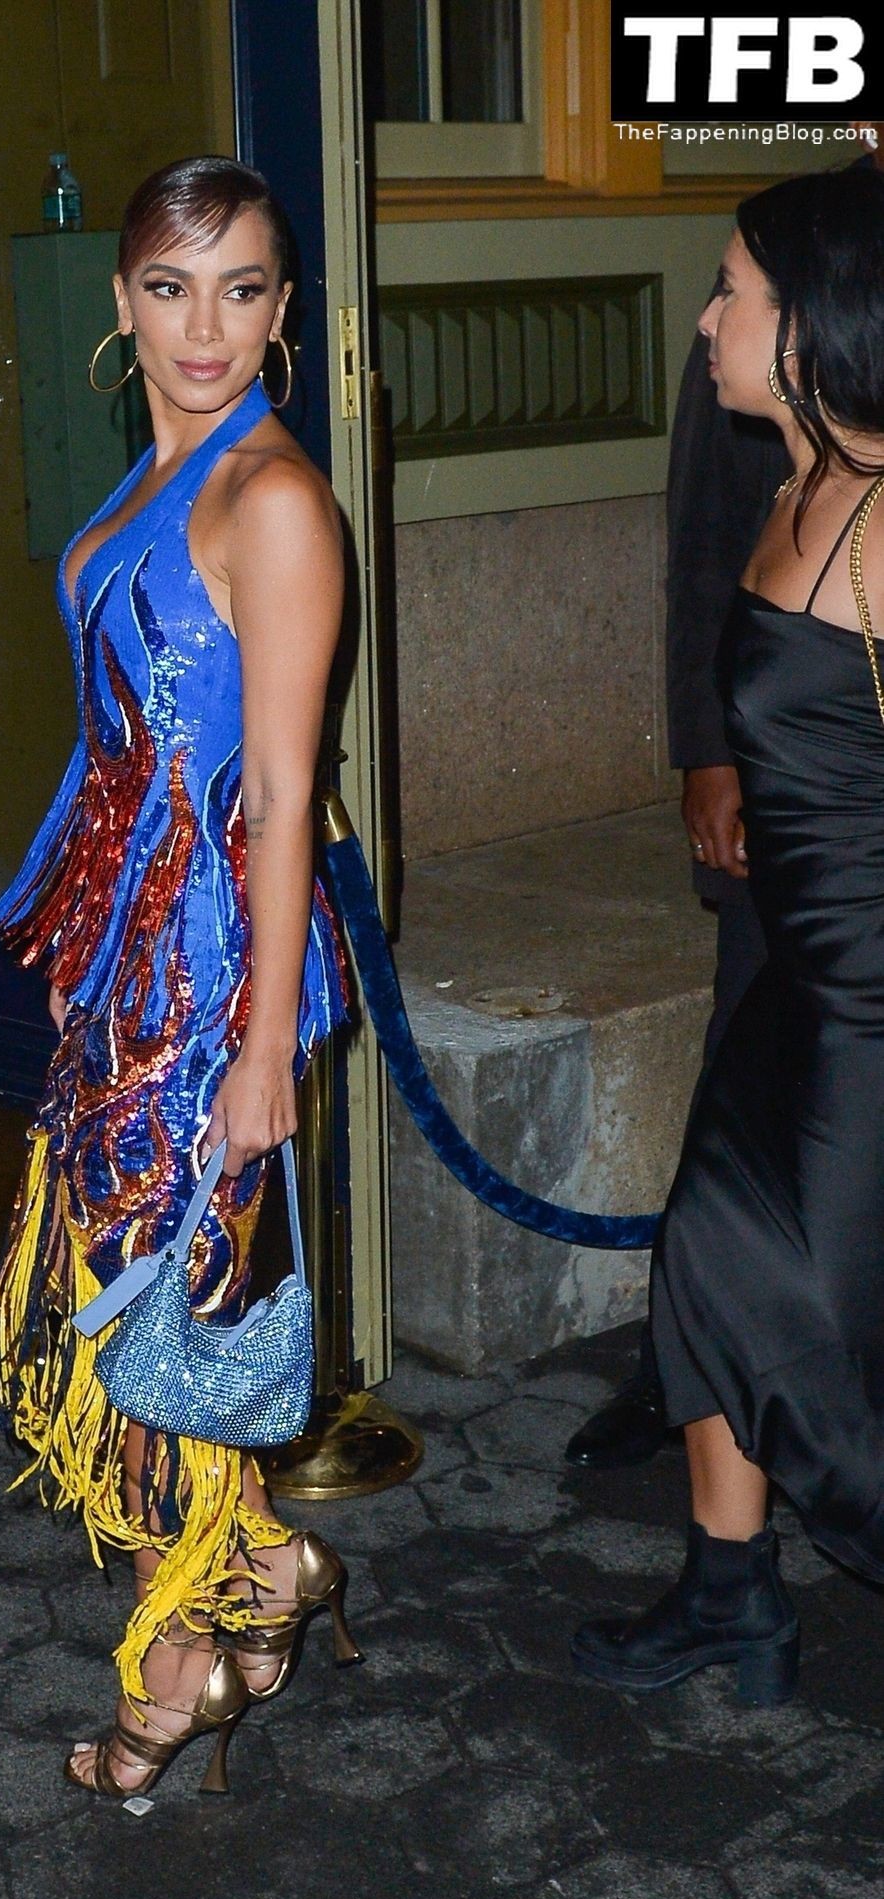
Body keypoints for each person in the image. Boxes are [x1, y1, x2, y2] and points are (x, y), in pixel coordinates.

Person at [0, 157, 356, 1797]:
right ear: (122, 303)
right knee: (156, 1321)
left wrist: (259, 1053)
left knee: (149, 1343)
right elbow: (115, 752)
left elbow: (281, 795)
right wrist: (79, 940)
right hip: (130, 973)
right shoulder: (155, 476)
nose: (206, 328)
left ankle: (174, 1672)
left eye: (241, 290)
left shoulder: (273, 501)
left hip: (211, 992)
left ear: (282, 307)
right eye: (172, 289)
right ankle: (269, 1577)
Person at [572, 163, 884, 1703]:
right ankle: (731, 1596)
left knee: (820, 1335)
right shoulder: (793, 483)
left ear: (809, 326)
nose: (706, 321)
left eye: (733, 295)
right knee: (704, 1250)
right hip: (792, 966)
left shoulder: (883, 523)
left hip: (868, 1005)